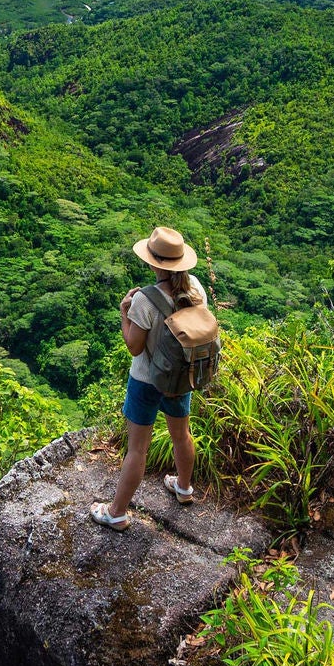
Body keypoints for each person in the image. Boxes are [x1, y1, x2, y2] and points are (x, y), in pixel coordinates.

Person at [92, 226, 206, 531]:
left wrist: (123, 313)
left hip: (145, 382)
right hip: (181, 377)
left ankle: (116, 512)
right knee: (181, 435)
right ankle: (183, 487)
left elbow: (134, 347)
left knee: (137, 449)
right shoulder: (195, 288)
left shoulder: (144, 300)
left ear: (154, 263)